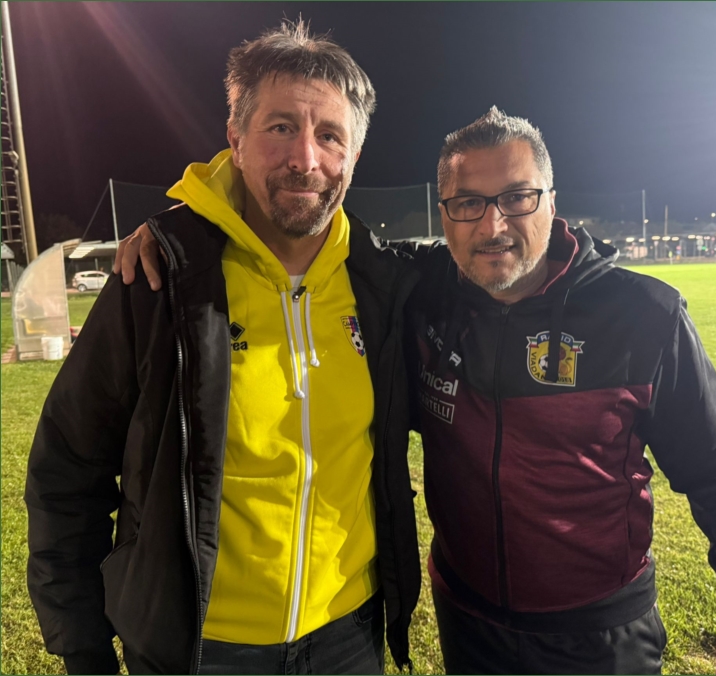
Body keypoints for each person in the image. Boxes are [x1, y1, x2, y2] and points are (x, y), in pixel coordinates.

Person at [119, 110, 716, 673]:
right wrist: (186, 228)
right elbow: (298, 224)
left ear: (552, 201)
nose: (492, 225)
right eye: (468, 204)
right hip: (467, 619)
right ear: (444, 215)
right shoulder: (420, 293)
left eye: (517, 197)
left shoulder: (644, 314)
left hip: (601, 630)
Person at [26, 21, 421, 675]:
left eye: (330, 135)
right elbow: (68, 468)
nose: (306, 159)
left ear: (354, 153)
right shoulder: (160, 278)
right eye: (280, 127)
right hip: (200, 650)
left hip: (348, 641)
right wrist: (81, 645)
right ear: (235, 139)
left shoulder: (381, 283)